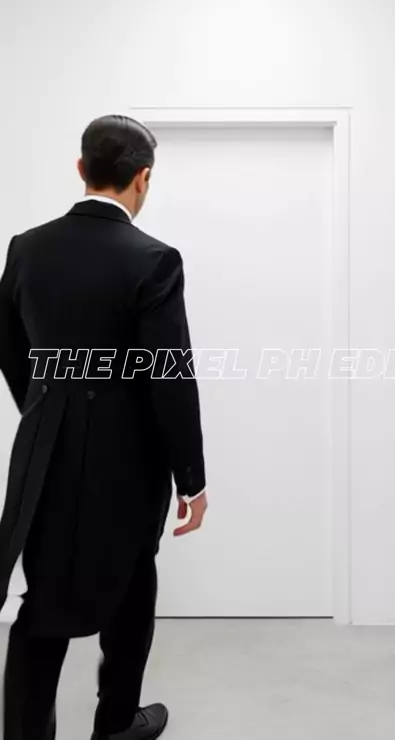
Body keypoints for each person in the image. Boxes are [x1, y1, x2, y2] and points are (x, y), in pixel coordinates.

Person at [0, 114, 208, 740]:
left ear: (81, 169)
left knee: (43, 602)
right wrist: (191, 479)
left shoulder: (26, 247)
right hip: (127, 460)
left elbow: (10, 347)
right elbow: (169, 377)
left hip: (44, 453)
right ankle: (116, 726)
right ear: (143, 178)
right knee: (132, 585)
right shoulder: (154, 259)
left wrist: (45, 407)